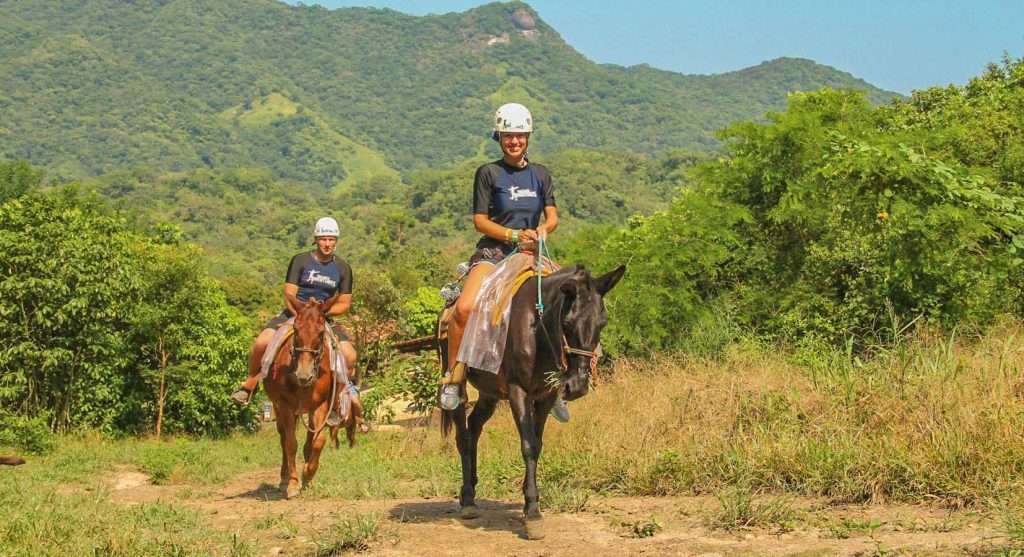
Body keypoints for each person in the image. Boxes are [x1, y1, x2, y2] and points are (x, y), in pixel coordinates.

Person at [440, 102, 570, 422]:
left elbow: (552, 217)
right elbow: (480, 221)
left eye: (520, 136)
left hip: (531, 255)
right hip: (494, 254)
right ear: (499, 137)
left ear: (528, 137)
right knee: (464, 308)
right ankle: (454, 378)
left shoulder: (541, 174)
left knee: (568, 305)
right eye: (508, 136)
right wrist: (512, 235)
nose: (514, 141)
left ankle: (557, 382)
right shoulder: (488, 173)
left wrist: (543, 230)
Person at [230, 217, 357, 427]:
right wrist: (302, 312)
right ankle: (250, 383)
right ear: (316, 239)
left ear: (336, 241)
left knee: (350, 355)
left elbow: (344, 303)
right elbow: (289, 293)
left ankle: (335, 401)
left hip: (323, 316)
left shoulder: (343, 268)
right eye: (323, 239)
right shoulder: (300, 260)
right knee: (262, 342)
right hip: (295, 313)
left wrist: (320, 312)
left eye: (331, 239)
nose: (327, 244)